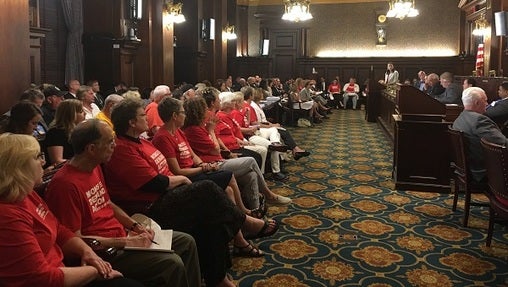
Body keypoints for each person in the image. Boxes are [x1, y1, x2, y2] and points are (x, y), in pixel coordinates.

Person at [103, 98, 279, 287]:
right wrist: (181, 179)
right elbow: (155, 182)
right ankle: (245, 222)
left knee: (210, 219)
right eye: (142, 115)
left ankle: (218, 278)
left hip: (170, 194)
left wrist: (183, 178)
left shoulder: (142, 142)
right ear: (131, 122)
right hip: (150, 208)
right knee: (208, 189)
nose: (147, 118)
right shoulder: (123, 148)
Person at [45, 119, 202, 287]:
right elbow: (75, 240)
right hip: (104, 252)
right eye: (109, 142)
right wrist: (127, 242)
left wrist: (135, 226)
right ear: (91, 149)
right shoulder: (65, 185)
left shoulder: (94, 166)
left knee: (186, 242)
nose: (115, 145)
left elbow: (107, 203)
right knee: (172, 263)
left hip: (123, 237)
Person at [0, 133, 142, 287]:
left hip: (67, 268)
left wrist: (86, 251)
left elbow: (59, 229)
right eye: (36, 157)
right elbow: (40, 279)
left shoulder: (27, 193)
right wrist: (95, 270)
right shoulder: (7, 216)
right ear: (17, 167)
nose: (43, 161)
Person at [153, 97, 267, 218]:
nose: (185, 115)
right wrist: (204, 168)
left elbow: (193, 155)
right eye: (182, 112)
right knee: (235, 170)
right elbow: (177, 171)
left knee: (242, 180)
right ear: (175, 116)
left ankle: (250, 214)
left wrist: (202, 164)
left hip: (199, 167)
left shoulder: (178, 131)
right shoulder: (163, 137)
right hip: (186, 176)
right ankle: (245, 213)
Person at [452, 87, 508, 187]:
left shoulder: (460, 118)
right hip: (484, 173)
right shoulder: (479, 121)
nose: (487, 104)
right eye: (485, 101)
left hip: (470, 169)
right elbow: (504, 144)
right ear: (477, 103)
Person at [45, 99, 85, 166]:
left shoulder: (78, 130)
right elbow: (57, 161)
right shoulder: (55, 132)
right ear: (71, 114)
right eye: (81, 111)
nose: (85, 113)